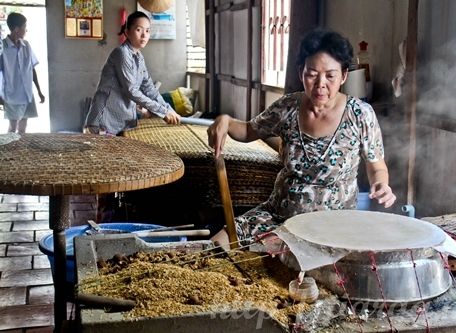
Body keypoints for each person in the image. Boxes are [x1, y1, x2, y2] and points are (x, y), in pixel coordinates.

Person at [207, 29, 396, 246]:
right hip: (279, 217)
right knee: (217, 245)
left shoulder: (360, 114)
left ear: (344, 75)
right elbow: (249, 131)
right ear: (300, 73)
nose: (320, 84)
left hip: (334, 229)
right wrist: (226, 121)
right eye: (312, 74)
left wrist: (381, 185)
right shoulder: (287, 107)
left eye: (330, 75)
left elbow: (377, 167)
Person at [85, 11, 180, 135]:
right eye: (139, 30)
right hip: (105, 122)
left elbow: (150, 89)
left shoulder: (139, 57)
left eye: (147, 31)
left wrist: (169, 110)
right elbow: (131, 91)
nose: (144, 35)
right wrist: (162, 111)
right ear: (127, 32)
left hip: (121, 122)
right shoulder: (122, 53)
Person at [0, 12, 45, 134]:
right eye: (24, 27)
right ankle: (8, 152)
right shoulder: (3, 47)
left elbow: (32, 69)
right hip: (12, 94)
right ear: (16, 29)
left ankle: (20, 152)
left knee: (23, 129)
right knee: (12, 128)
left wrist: (39, 91)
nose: (26, 30)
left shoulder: (26, 46)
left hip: (27, 93)